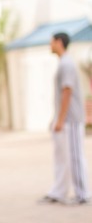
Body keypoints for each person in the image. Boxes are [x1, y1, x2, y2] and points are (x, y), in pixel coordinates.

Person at [39, 32, 90, 205]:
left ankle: (83, 194)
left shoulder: (67, 64)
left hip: (72, 119)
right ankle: (58, 191)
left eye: (51, 42)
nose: (49, 45)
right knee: (62, 157)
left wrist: (60, 120)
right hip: (65, 119)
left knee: (75, 157)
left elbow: (67, 91)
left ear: (59, 42)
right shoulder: (64, 63)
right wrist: (56, 119)